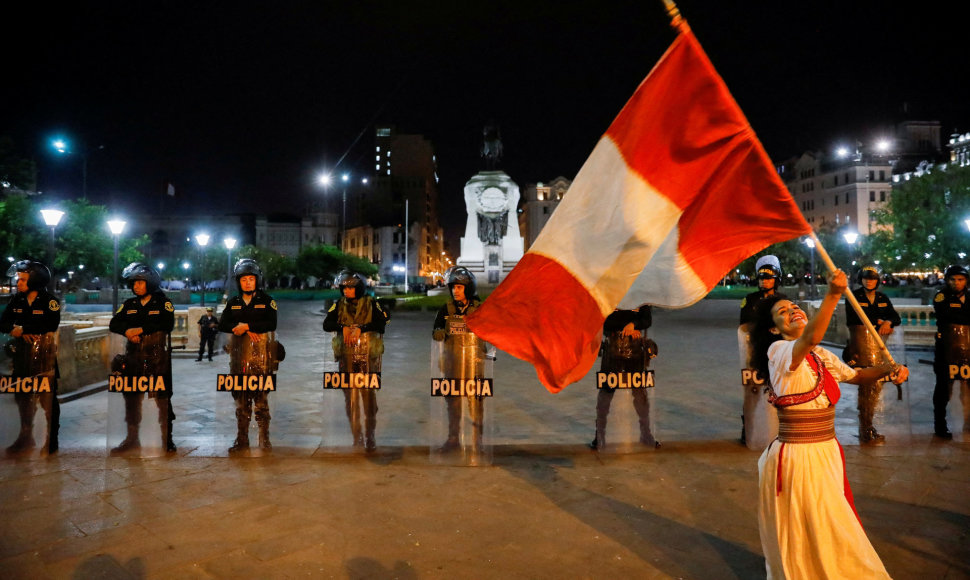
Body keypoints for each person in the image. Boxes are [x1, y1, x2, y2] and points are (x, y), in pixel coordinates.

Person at [752, 269, 907, 578]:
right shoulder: (779, 351)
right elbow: (811, 336)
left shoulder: (821, 355)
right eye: (783, 312)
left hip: (827, 451)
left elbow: (858, 375)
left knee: (829, 520)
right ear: (774, 329)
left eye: (794, 307)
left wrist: (888, 369)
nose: (793, 310)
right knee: (818, 524)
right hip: (798, 457)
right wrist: (834, 293)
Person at [108, 262, 176, 453]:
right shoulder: (129, 304)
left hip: (157, 359)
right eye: (133, 283)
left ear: (150, 283)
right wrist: (128, 330)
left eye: (139, 282)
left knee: (162, 400)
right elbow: (114, 323)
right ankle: (132, 438)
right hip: (133, 358)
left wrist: (141, 328)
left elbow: (167, 323)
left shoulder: (163, 302)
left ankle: (166, 438)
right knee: (131, 400)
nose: (135, 286)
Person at [323, 270, 388, 451]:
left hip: (367, 358)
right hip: (346, 358)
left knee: (369, 400)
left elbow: (382, 322)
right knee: (350, 400)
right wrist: (342, 327)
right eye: (344, 288)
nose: (346, 291)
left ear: (359, 288)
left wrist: (362, 328)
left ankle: (370, 436)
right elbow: (326, 324)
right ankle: (356, 436)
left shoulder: (372, 304)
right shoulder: (338, 305)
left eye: (351, 288)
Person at [0, 260, 61, 455]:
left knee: (48, 400)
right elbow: (3, 322)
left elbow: (50, 324)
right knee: (23, 397)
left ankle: (52, 439)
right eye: (19, 279)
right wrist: (14, 331)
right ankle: (25, 436)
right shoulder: (16, 300)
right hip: (22, 357)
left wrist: (23, 329)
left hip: (44, 357)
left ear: (35, 281)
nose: (18, 283)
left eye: (23, 280)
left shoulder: (49, 301)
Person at [219, 259, 279, 453]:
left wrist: (248, 326)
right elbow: (223, 324)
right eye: (244, 279)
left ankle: (264, 439)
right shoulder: (233, 303)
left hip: (261, 360)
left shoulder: (267, 301)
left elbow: (271, 323)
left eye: (251, 279)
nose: (247, 283)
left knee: (261, 402)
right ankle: (241, 439)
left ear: (257, 281)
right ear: (239, 282)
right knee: (241, 403)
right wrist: (240, 328)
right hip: (238, 359)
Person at [843, 265, 901, 444]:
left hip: (877, 349)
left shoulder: (883, 297)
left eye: (873, 278)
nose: (869, 281)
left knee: (875, 388)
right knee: (865, 387)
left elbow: (896, 317)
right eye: (866, 278)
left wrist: (889, 322)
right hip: (860, 348)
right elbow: (856, 318)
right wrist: (880, 321)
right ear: (861, 279)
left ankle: (868, 426)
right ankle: (865, 427)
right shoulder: (853, 296)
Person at [589, 305, 660, 450]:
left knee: (640, 392)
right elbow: (602, 320)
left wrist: (634, 325)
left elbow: (647, 319)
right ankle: (600, 435)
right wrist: (627, 327)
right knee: (607, 391)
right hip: (612, 348)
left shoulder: (639, 290)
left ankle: (646, 434)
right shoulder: (612, 292)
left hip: (635, 349)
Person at [432, 267, 487, 453]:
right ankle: (453, 439)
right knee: (453, 403)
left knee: (476, 403)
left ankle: (477, 441)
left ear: (468, 288)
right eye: (453, 287)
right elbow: (437, 327)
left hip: (474, 364)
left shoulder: (480, 309)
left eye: (460, 287)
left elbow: (490, 329)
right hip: (452, 362)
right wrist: (438, 332)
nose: (455, 291)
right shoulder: (445, 309)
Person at [738, 255, 786, 447]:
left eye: (768, 278)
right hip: (755, 351)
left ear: (776, 279)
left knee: (778, 390)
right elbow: (744, 324)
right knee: (753, 391)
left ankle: (779, 429)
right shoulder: (749, 300)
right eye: (761, 278)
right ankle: (748, 428)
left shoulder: (783, 300)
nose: (764, 281)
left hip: (777, 352)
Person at [932, 264, 970, 439]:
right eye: (953, 279)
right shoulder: (941, 296)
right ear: (947, 280)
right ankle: (940, 425)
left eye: (960, 279)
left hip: (967, 351)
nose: (957, 283)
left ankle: (968, 422)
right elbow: (945, 315)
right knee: (943, 390)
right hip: (946, 351)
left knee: (968, 390)